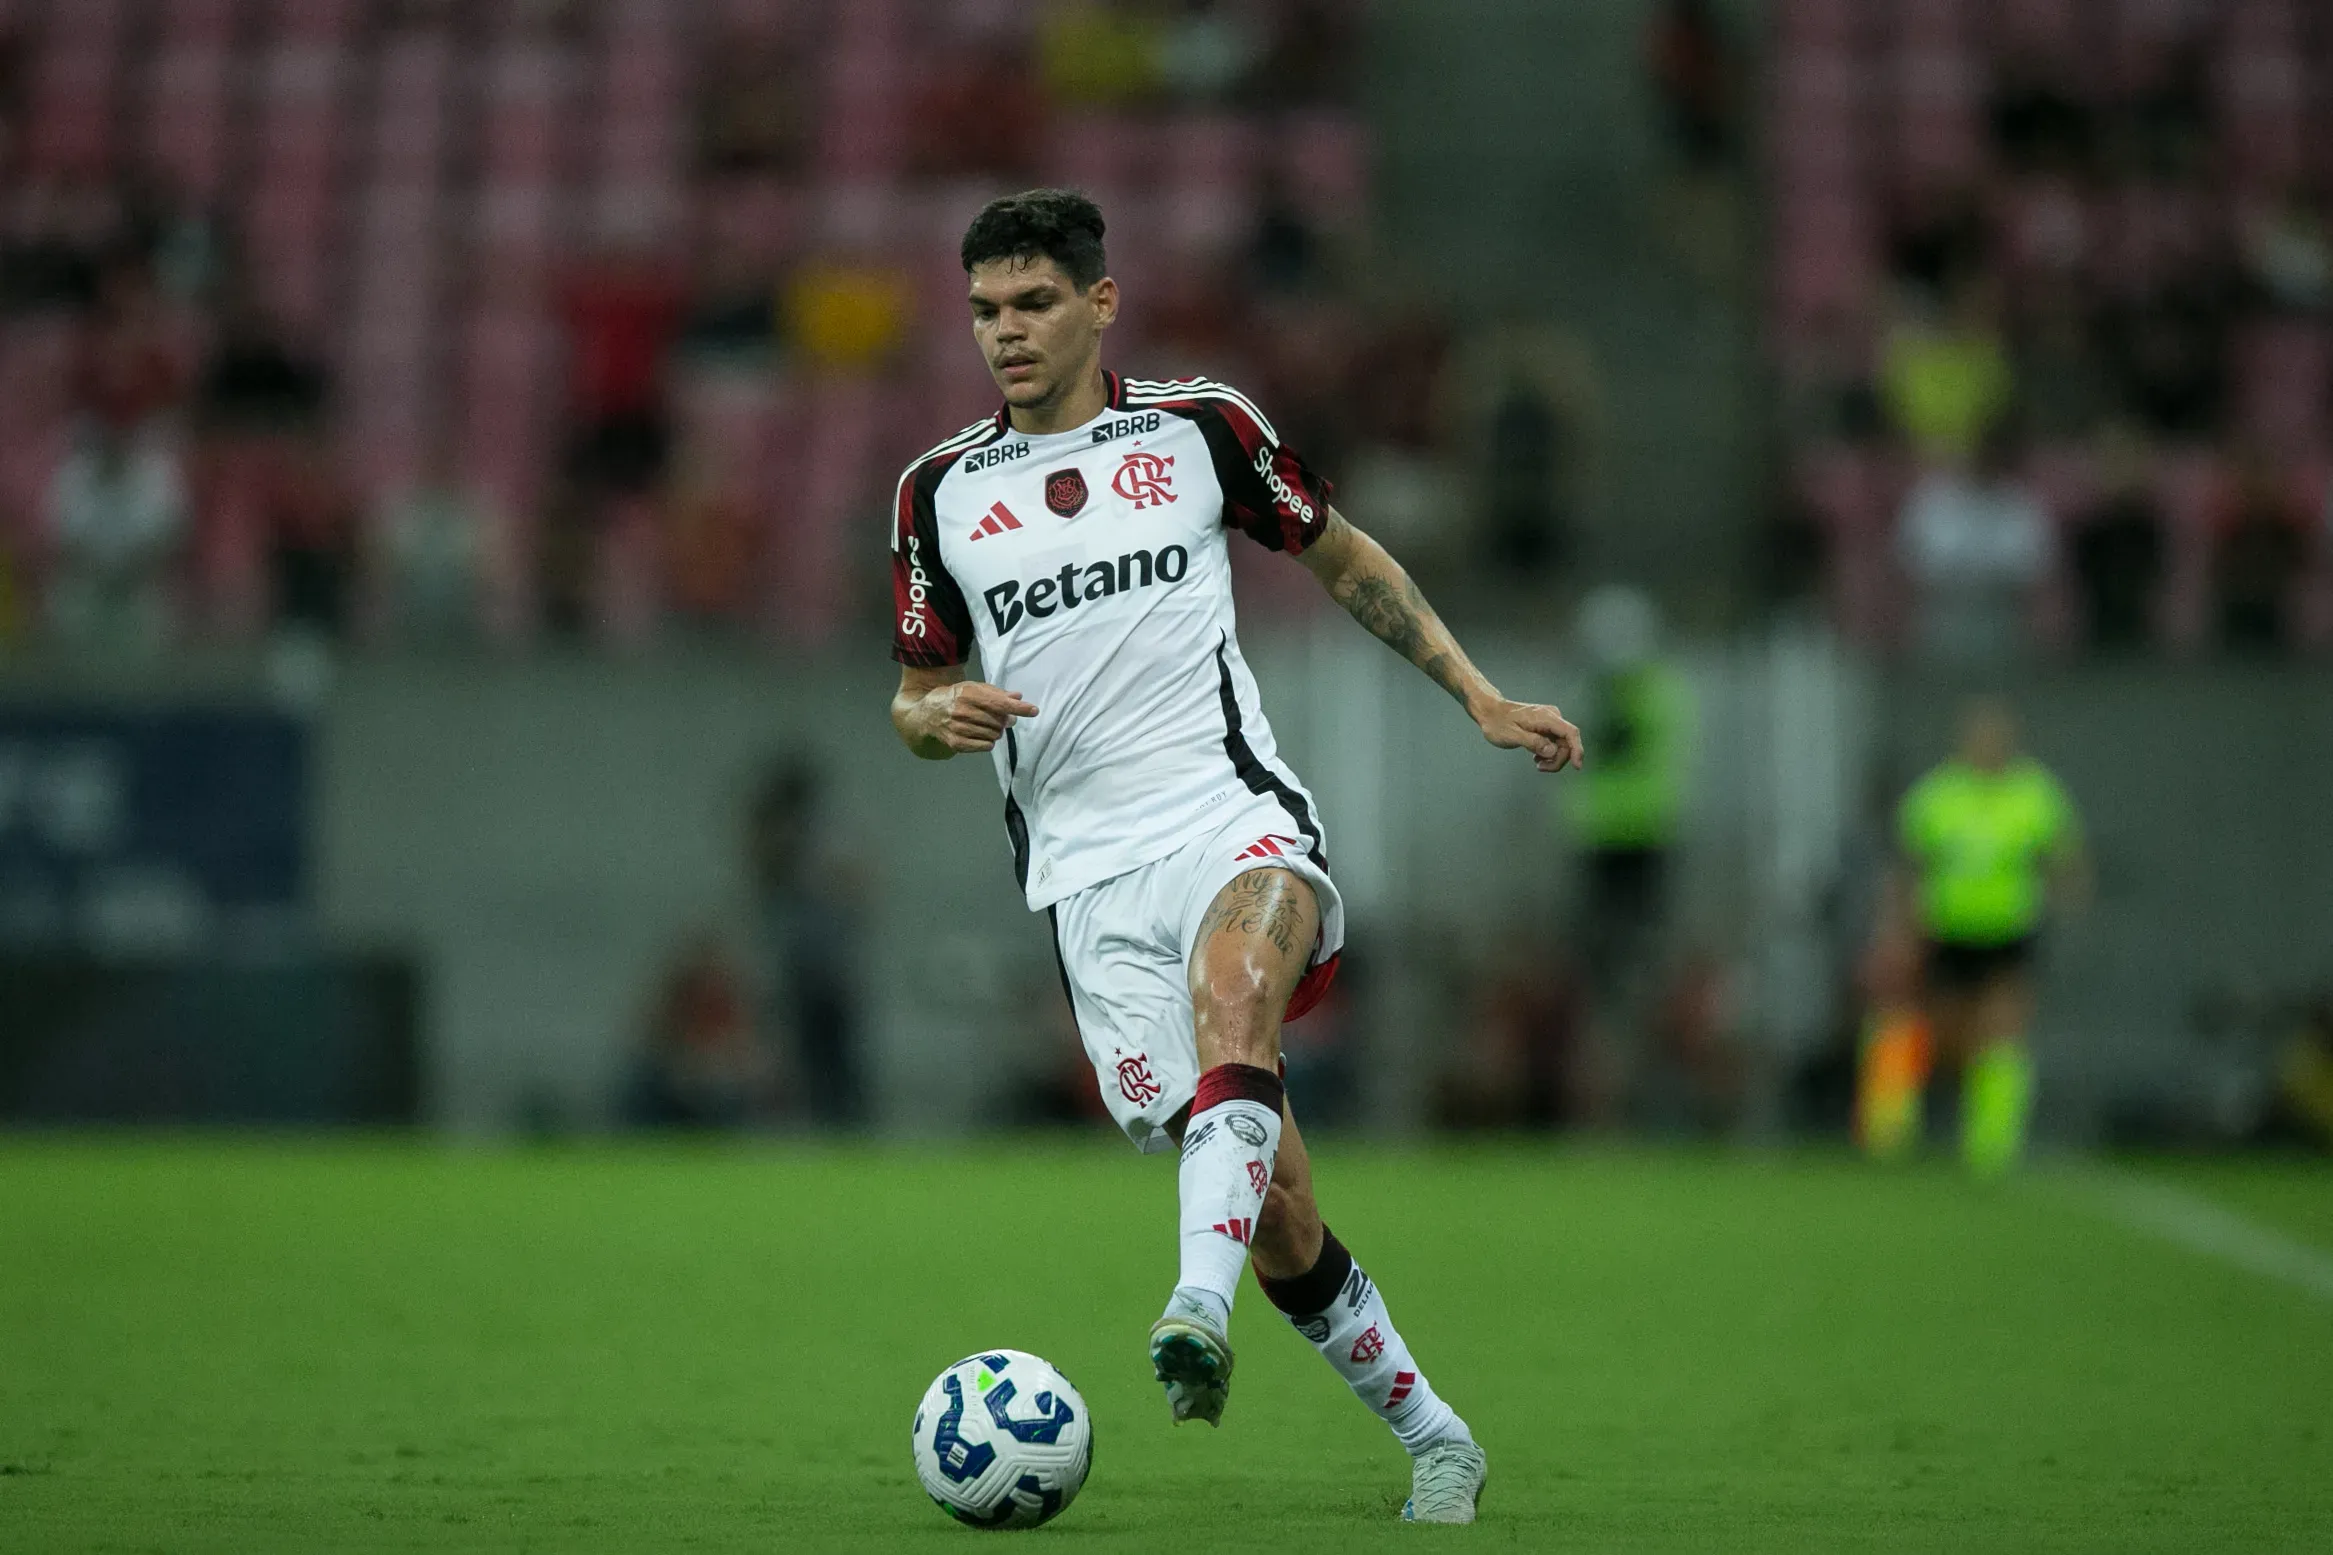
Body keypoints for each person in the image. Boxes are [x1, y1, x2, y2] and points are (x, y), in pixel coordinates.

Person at [886, 190, 1585, 1524]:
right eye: (984, 310)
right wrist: (936, 717)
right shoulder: (939, 492)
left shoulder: (1204, 429)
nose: (1006, 331)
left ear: (1099, 302)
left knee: (1235, 1000)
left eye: (1033, 302)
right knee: (1280, 1209)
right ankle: (1440, 1437)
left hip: (1230, 814)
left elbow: (1342, 554)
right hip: (1084, 882)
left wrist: (1476, 692)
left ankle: (1192, 1308)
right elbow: (912, 695)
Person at [1879, 698, 2086, 1175]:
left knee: (2003, 1032)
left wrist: (2067, 891)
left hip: (2010, 932)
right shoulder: (1936, 796)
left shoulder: (2035, 794)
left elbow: (2063, 856)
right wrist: (1898, 927)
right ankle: (1892, 1125)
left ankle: (1991, 1144)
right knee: (1942, 1037)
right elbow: (1908, 868)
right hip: (1947, 931)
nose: (1988, 746)